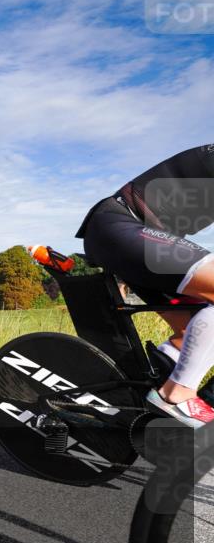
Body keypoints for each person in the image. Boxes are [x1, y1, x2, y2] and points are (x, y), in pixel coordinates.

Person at [77, 143, 214, 427]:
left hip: (147, 239)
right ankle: (175, 395)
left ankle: (146, 384)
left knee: (193, 330)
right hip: (121, 226)